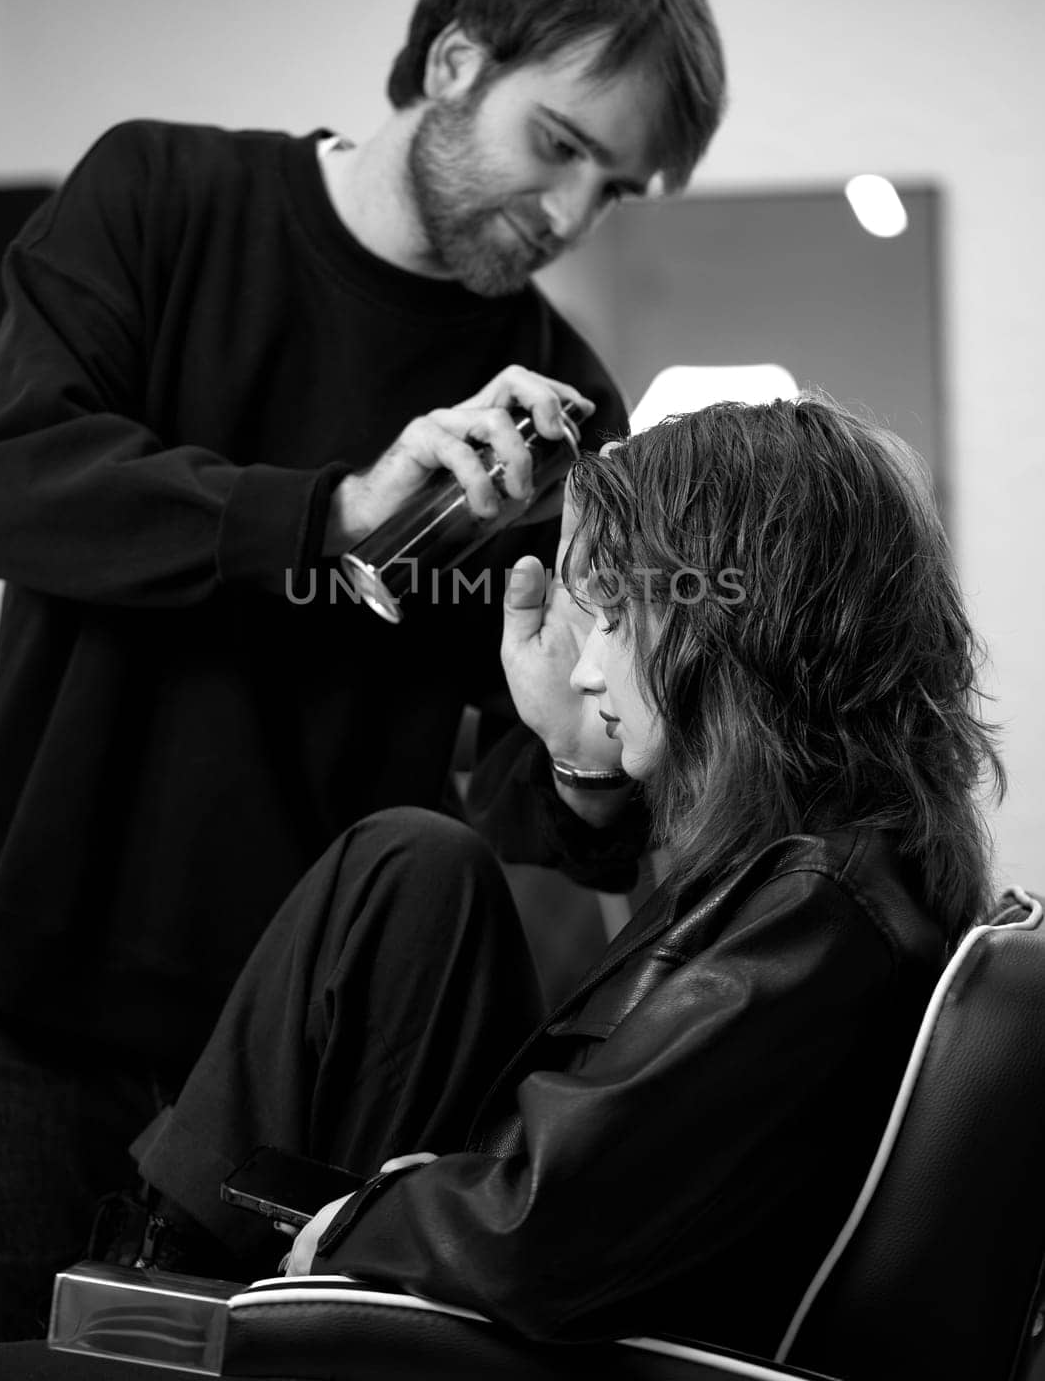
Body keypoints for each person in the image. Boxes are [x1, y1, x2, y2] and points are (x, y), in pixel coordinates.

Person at [0, 0, 727, 1338]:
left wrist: (576, 752)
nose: (570, 216)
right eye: (559, 146)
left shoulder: (554, 405)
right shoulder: (160, 197)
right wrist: (329, 516)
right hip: (28, 1001)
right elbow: (6, 473)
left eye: (613, 189)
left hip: (301, 1063)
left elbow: (545, 804)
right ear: (451, 62)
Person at [101, 397, 1002, 1359]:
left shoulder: (817, 910)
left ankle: (144, 1306)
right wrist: (583, 755)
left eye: (612, 617)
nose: (581, 669)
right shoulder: (825, 866)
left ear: (734, 631)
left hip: (538, 1344)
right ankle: (155, 1285)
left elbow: (533, 1231)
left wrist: (374, 1212)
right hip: (541, 1299)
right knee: (410, 866)